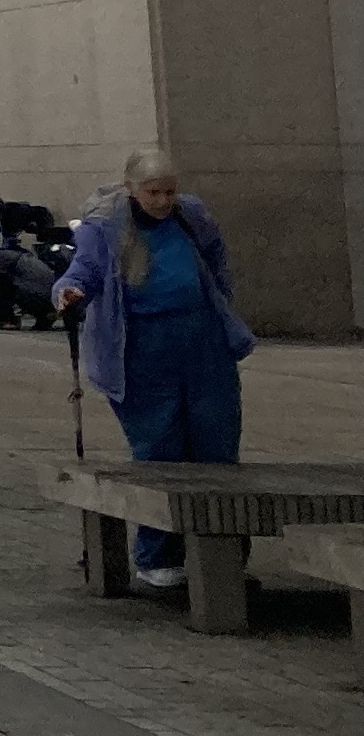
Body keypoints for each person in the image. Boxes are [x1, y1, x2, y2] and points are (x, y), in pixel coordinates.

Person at [53, 147, 256, 592]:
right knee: (160, 448)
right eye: (153, 192)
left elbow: (216, 259)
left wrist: (222, 301)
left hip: (203, 341)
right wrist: (68, 291)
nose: (164, 201)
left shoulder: (191, 215)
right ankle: (156, 557)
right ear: (131, 188)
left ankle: (223, 553)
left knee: (217, 445)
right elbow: (83, 270)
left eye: (169, 191)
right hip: (141, 348)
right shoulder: (103, 226)